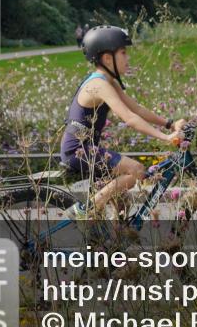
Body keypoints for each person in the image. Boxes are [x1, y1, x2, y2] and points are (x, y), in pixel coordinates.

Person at [61, 25, 185, 219]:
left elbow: (137, 109)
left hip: (88, 149)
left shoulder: (109, 82)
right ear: (107, 58)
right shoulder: (99, 85)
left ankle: (111, 244)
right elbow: (130, 118)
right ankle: (84, 210)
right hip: (79, 150)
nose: (128, 59)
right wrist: (166, 137)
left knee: (122, 206)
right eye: (123, 53)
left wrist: (169, 123)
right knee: (136, 170)